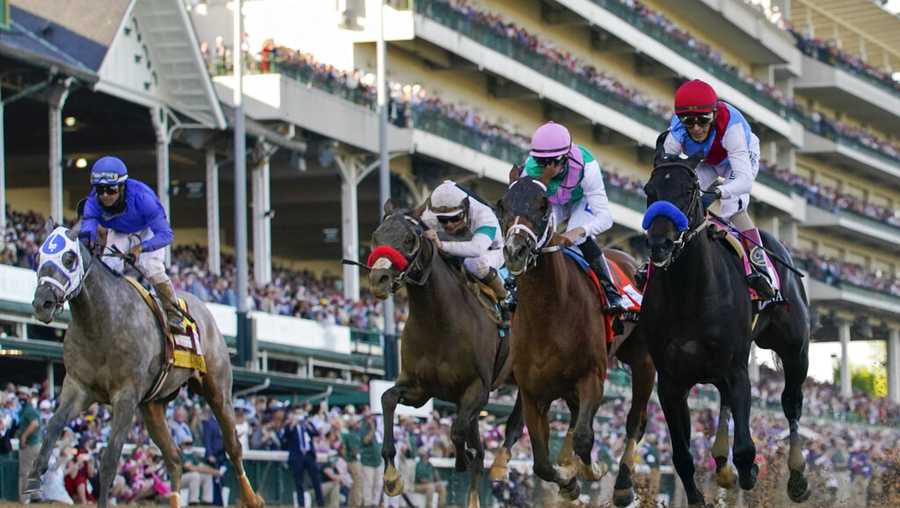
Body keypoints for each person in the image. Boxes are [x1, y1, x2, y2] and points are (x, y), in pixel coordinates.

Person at [662, 79, 776, 300]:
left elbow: (744, 180)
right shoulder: (675, 130)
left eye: (703, 120)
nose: (695, 127)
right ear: (679, 119)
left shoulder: (731, 128)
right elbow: (668, 168)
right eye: (688, 121)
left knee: (732, 206)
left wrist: (720, 192)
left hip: (738, 158)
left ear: (714, 115)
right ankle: (656, 263)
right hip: (708, 160)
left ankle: (762, 269)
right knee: (684, 196)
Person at [521, 121, 629, 313]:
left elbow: (605, 217)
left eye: (552, 161)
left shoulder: (587, 166)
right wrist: (545, 178)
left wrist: (579, 231)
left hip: (581, 201)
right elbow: (527, 206)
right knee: (535, 229)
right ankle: (515, 287)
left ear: (566, 157)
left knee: (578, 236)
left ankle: (611, 291)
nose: (547, 166)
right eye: (541, 162)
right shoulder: (529, 168)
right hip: (554, 201)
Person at [78, 156, 187, 333]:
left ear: (122, 186)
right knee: (106, 268)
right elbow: (88, 226)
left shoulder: (144, 199)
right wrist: (87, 242)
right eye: (100, 190)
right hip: (119, 230)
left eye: (111, 189)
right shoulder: (93, 201)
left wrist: (140, 248)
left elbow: (166, 235)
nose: (105, 195)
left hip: (147, 230)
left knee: (151, 268)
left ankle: (173, 312)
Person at [421, 180, 508, 307]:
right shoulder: (434, 213)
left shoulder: (485, 216)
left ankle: (504, 297)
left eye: (455, 218)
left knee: (475, 263)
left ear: (466, 207)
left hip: (492, 252)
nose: (449, 224)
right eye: (443, 220)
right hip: (459, 249)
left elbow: (476, 249)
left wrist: (441, 245)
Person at [281, 407, 324, 507]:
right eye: (297, 413)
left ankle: (320, 503)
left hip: (309, 455)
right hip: (297, 457)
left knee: (316, 480)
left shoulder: (306, 424)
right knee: (299, 482)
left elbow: (316, 433)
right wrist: (293, 424)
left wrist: (308, 424)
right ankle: (301, 505)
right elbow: (285, 437)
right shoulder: (289, 426)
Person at [16, 386, 41, 504]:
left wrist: (24, 436)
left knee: (25, 472)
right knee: (33, 471)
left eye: (24, 395)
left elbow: (34, 423)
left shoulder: (29, 409)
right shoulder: (29, 409)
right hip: (36, 443)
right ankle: (34, 496)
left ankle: (25, 499)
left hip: (30, 444)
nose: (22, 397)